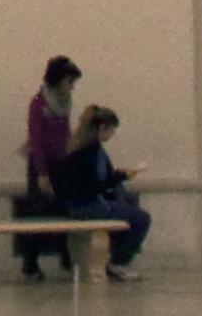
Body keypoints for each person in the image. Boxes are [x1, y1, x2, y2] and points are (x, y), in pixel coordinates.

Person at [53, 106, 150, 278]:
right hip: (85, 205)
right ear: (102, 128)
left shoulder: (82, 147)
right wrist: (121, 176)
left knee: (129, 210)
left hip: (82, 202)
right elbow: (93, 185)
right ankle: (119, 262)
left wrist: (119, 175)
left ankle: (116, 260)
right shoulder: (87, 152)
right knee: (141, 218)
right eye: (112, 131)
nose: (112, 135)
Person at [19, 57, 82, 280]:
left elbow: (65, 133)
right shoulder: (38, 104)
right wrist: (42, 174)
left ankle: (66, 259)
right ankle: (30, 264)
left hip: (60, 165)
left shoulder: (65, 102)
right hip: (41, 167)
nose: (72, 86)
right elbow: (36, 141)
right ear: (57, 80)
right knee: (39, 214)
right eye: (69, 81)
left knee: (63, 211)